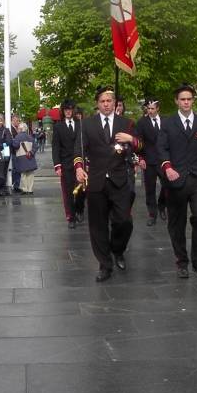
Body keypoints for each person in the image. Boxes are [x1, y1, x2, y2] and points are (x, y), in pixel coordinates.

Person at [74, 86, 140, 282]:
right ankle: (105, 264)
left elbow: (142, 146)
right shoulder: (87, 125)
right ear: (98, 104)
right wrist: (78, 167)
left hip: (119, 180)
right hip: (96, 180)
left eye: (109, 101)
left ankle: (117, 249)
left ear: (114, 103)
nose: (106, 104)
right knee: (98, 225)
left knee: (124, 221)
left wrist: (131, 140)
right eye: (102, 101)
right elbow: (79, 148)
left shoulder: (126, 123)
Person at [158, 84, 197, 279]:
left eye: (189, 99)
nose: (186, 102)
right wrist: (168, 168)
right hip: (175, 180)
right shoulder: (167, 123)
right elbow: (161, 149)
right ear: (177, 101)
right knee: (177, 223)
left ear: (193, 101)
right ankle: (181, 262)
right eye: (182, 99)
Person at [52, 99, 84, 228]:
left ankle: (79, 209)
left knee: (81, 190)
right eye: (66, 110)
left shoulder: (80, 124)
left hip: (80, 163)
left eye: (70, 110)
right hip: (65, 164)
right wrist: (57, 165)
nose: (68, 112)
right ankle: (71, 217)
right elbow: (55, 147)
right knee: (68, 192)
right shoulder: (58, 126)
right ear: (63, 111)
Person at [137, 97, 167, 226]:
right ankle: (152, 214)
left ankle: (162, 205)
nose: (150, 111)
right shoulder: (142, 123)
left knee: (167, 186)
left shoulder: (166, 121)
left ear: (158, 109)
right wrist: (140, 158)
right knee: (150, 189)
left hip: (163, 160)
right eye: (148, 108)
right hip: (148, 161)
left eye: (152, 108)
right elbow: (138, 142)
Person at [12, 123, 38, 194]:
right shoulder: (30, 137)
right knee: (30, 174)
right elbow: (36, 146)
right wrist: (31, 152)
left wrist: (13, 141)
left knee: (23, 174)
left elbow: (16, 146)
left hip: (21, 157)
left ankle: (25, 189)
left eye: (18, 129)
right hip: (30, 157)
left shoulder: (18, 137)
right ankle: (30, 189)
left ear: (20, 129)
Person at [9, 114, 22, 193]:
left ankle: (16, 184)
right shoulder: (11, 129)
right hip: (14, 152)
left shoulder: (16, 129)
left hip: (17, 152)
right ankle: (15, 185)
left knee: (17, 169)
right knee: (15, 169)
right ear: (13, 120)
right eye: (17, 121)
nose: (18, 122)